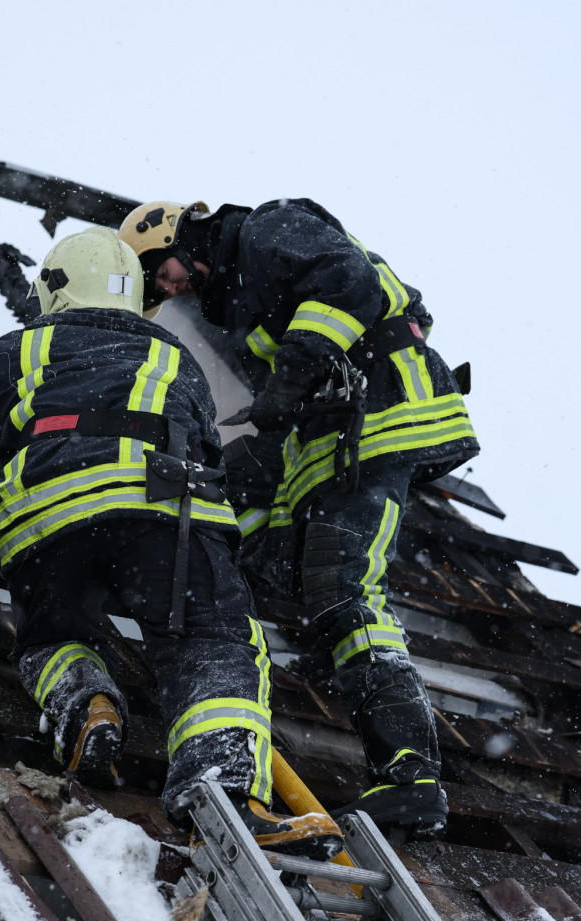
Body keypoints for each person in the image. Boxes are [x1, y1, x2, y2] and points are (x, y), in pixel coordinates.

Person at [0, 226, 342, 859]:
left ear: (55, 290)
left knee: (52, 634)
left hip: (46, 520)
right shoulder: (178, 359)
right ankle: (225, 799)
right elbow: (204, 452)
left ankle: (86, 703)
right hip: (164, 510)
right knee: (212, 639)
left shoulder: (26, 347)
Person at [119, 199, 480, 839]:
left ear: (176, 233)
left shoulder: (266, 228)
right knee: (266, 563)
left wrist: (289, 377)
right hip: (326, 447)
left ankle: (411, 778)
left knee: (347, 591)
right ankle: (325, 660)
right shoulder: (238, 299)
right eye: (159, 287)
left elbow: (348, 282)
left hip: (382, 420)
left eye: (164, 270)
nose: (171, 287)